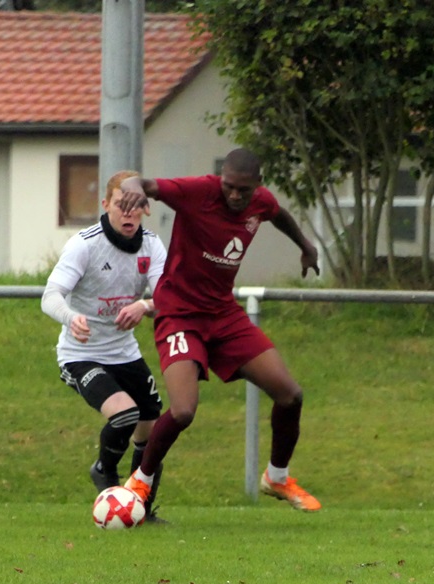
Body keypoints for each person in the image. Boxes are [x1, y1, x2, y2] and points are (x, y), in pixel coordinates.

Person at [118, 148, 322, 512]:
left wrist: (306, 246)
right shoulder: (198, 191)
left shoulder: (261, 202)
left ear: (257, 185)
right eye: (229, 186)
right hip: (179, 313)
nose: (234, 195)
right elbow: (142, 183)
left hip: (224, 315)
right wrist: (134, 188)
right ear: (220, 179)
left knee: (290, 395)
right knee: (183, 411)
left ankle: (277, 477)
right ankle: (140, 481)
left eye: (243, 189)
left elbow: (278, 214)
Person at [42, 170, 168, 520]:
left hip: (124, 352)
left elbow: (168, 297)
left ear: (144, 208)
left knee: (152, 431)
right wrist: (70, 317)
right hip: (80, 354)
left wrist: (144, 305)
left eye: (135, 205)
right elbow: (50, 296)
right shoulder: (85, 244)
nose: (128, 212)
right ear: (105, 205)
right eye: (120, 204)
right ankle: (106, 474)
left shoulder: (152, 245)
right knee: (124, 413)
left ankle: (142, 508)